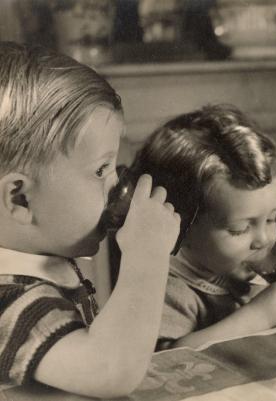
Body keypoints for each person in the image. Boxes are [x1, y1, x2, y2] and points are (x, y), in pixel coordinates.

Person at [0, 42, 180, 397]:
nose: (116, 184)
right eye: (101, 169)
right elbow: (109, 373)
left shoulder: (49, 267)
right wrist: (146, 259)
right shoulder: (9, 300)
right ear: (20, 198)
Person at [130, 104, 276, 350]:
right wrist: (261, 316)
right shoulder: (164, 289)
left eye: (272, 218)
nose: (264, 239)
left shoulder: (244, 269)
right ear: (179, 225)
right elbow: (164, 362)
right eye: (239, 229)